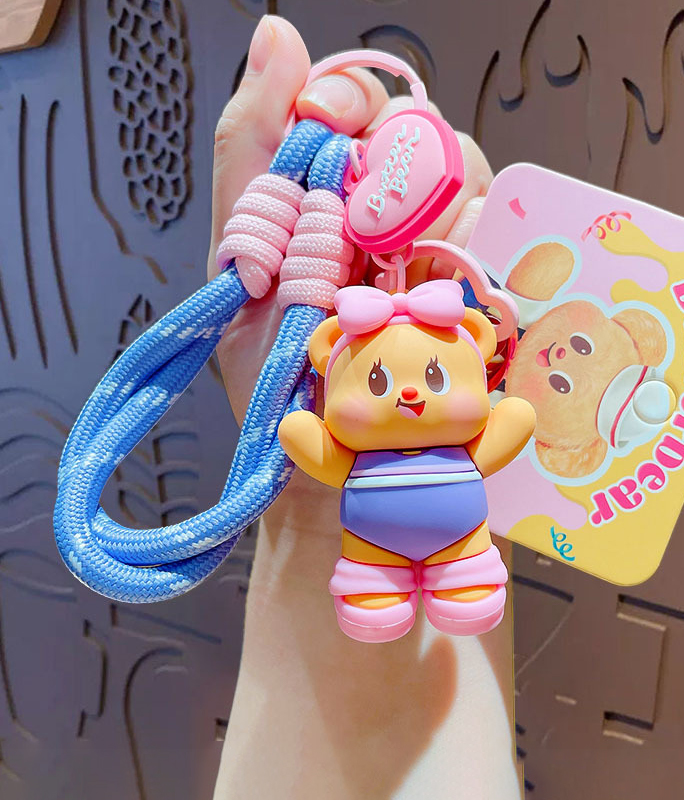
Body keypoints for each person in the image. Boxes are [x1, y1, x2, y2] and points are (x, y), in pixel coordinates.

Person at [209, 16, 521, 799]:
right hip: (365, 554)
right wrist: (299, 482)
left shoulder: (453, 395)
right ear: (329, 360)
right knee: (376, 583)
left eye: (434, 378)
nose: (410, 394)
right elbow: (317, 443)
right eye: (379, 384)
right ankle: (393, 588)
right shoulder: (329, 373)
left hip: (453, 547)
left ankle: (458, 581)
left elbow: (503, 428)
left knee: (461, 577)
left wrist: (512, 409)